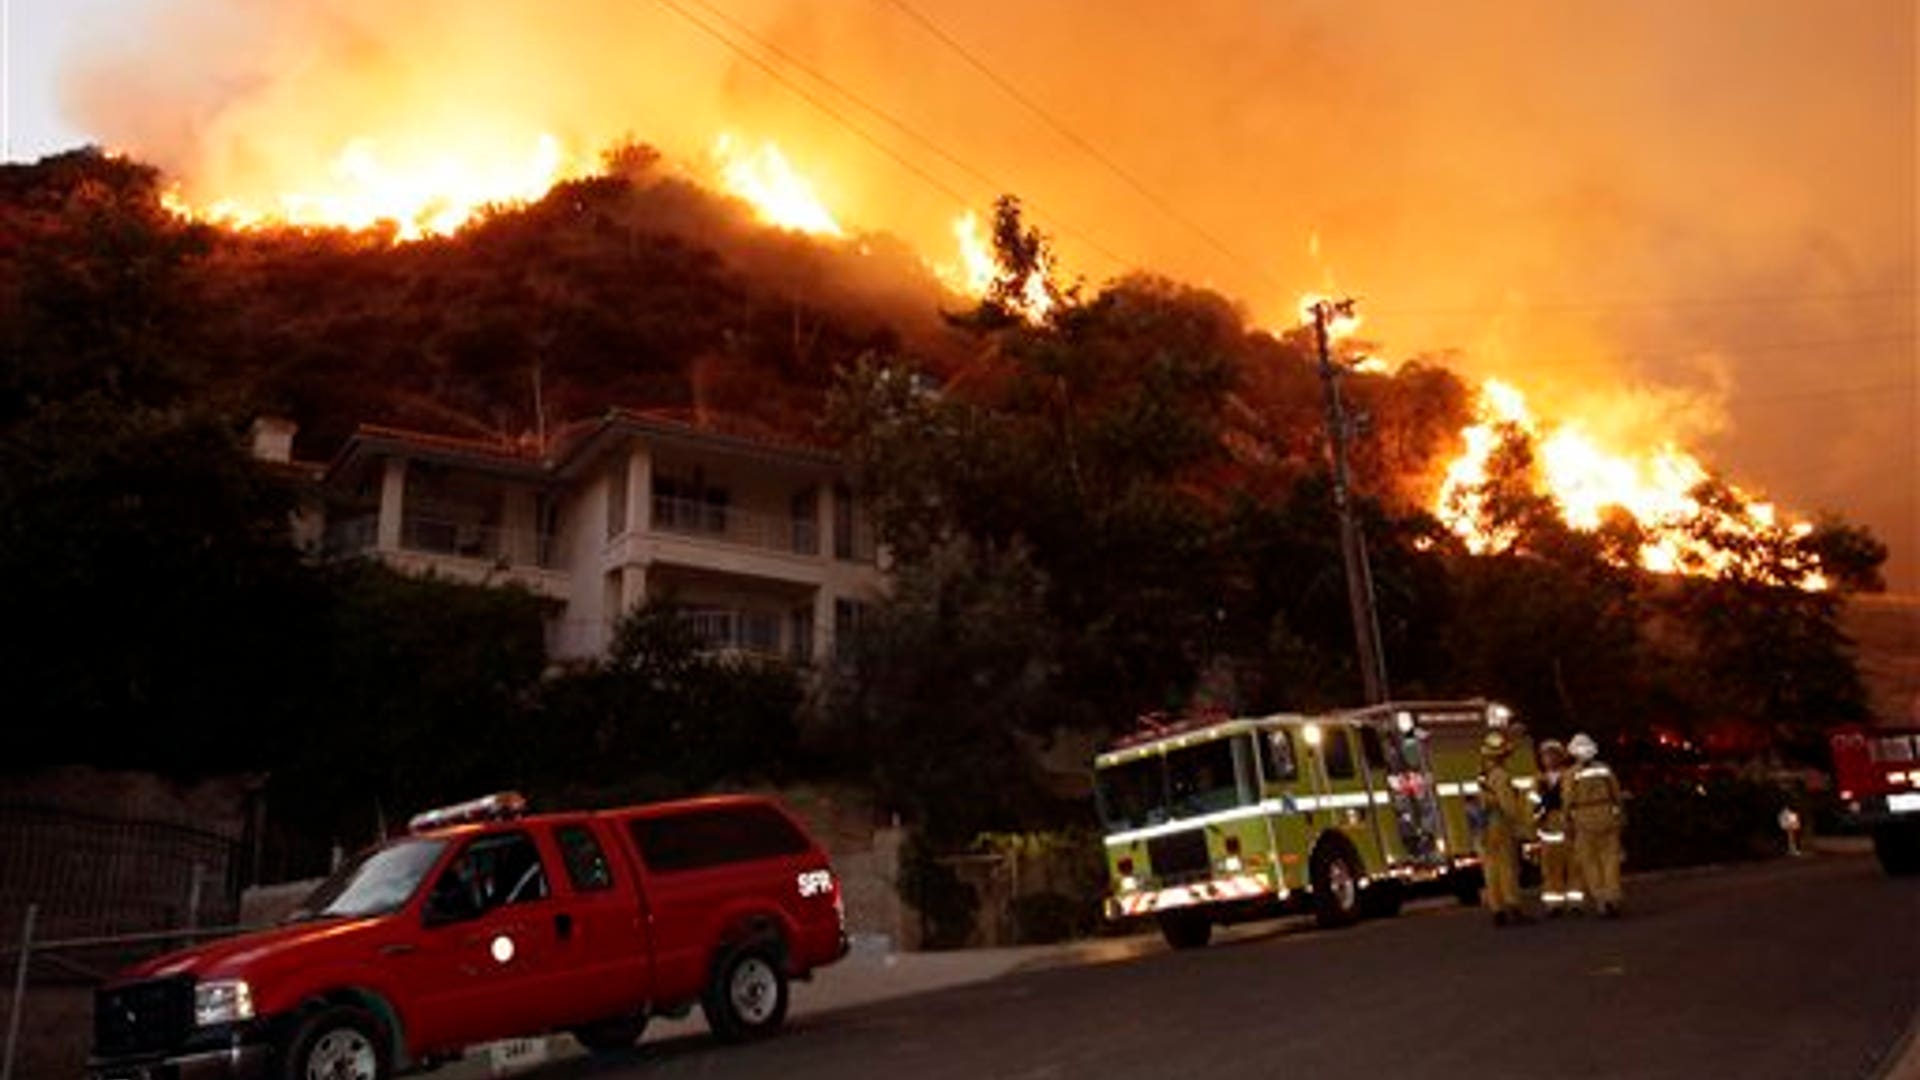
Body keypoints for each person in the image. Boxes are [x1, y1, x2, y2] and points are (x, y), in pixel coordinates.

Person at [1478, 728, 1534, 927]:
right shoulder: (1501, 775)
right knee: (1507, 867)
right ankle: (1513, 907)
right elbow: (1507, 805)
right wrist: (1519, 824)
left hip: (1485, 827)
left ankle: (1497, 910)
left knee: (1491, 870)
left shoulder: (1483, 775)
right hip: (1500, 824)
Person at [1565, 733, 1625, 917]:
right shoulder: (1604, 769)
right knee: (1610, 860)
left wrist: (1568, 822)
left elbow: (1568, 800)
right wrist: (1620, 815)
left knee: (1590, 862)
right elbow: (1616, 792)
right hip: (1606, 815)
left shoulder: (1571, 774)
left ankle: (1602, 900)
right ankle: (1613, 897)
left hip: (1584, 820)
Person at [1533, 739, 1583, 916]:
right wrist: (1536, 823)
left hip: (1567, 825)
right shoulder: (1538, 780)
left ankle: (1575, 904)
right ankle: (1554, 905)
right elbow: (1532, 805)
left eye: (1552, 754)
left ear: (1560, 756)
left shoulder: (1570, 775)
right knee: (1549, 869)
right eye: (1546, 755)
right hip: (1548, 829)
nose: (1549, 758)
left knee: (1574, 866)